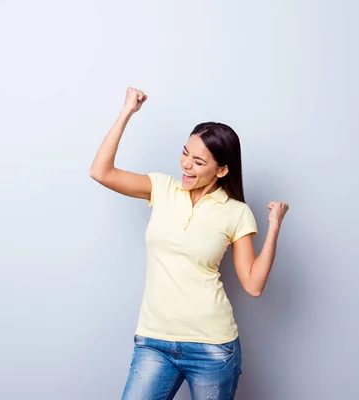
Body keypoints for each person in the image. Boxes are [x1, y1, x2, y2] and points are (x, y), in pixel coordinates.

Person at [90, 87, 289, 400]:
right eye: (185, 153)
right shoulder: (162, 188)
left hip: (212, 346)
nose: (186, 165)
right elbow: (101, 172)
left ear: (222, 170)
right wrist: (127, 110)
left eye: (198, 161)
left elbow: (253, 284)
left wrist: (274, 227)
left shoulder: (236, 213)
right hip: (154, 341)